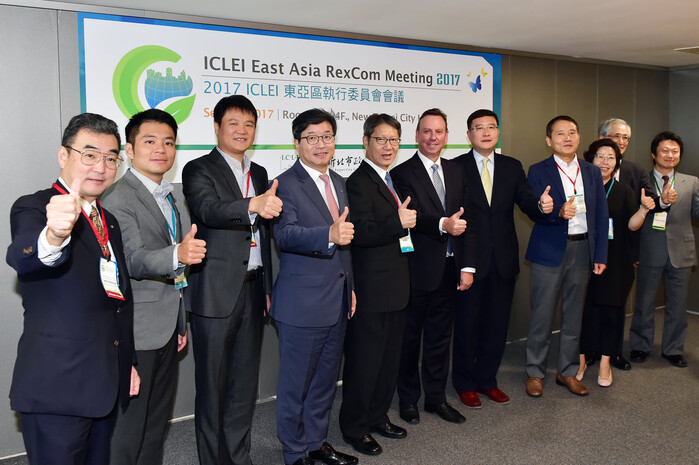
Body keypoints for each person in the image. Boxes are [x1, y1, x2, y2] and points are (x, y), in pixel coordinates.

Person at [6, 113, 138, 464]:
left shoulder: (107, 220)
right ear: (63, 155)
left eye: (111, 158)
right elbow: (23, 255)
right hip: (57, 388)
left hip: (104, 381)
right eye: (89, 154)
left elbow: (117, 299)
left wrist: (127, 362)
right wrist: (53, 235)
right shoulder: (35, 206)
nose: (101, 167)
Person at [102, 109, 206, 465]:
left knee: (156, 423)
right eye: (150, 141)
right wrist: (178, 254)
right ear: (129, 150)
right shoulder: (118, 199)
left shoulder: (170, 195)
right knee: (129, 429)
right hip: (136, 330)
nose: (161, 149)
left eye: (169, 142)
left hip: (166, 325)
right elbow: (132, 259)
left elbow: (175, 268)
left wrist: (179, 321)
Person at [182, 95, 281, 465]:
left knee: (244, 386)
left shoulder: (260, 174)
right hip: (215, 292)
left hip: (253, 289)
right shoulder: (198, 169)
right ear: (217, 127)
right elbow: (208, 209)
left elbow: (265, 237)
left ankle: (239, 457)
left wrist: (268, 287)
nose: (242, 131)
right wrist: (252, 204)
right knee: (213, 387)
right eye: (233, 123)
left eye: (249, 124)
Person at [271, 108, 358, 465]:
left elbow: (346, 240)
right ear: (297, 143)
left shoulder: (339, 181)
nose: (320, 144)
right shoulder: (284, 184)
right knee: (296, 386)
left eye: (327, 136)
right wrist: (328, 235)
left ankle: (316, 443)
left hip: (337, 299)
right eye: (311, 138)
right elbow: (285, 235)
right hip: (301, 305)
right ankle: (294, 453)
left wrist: (350, 286)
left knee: (324, 381)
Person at [451, 109, 553, 409]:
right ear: (468, 134)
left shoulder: (511, 166)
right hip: (469, 261)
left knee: (496, 326)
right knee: (467, 326)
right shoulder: (455, 167)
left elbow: (526, 201)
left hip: (503, 260)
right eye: (478, 127)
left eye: (491, 127)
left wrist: (541, 205)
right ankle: (464, 383)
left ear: (498, 132)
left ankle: (487, 380)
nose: (486, 132)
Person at [391, 108, 476, 425]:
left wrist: (468, 266)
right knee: (410, 340)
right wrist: (443, 224)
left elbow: (468, 220)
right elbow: (415, 217)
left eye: (438, 132)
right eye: (426, 131)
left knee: (440, 340)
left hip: (451, 270)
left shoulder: (457, 171)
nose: (432, 137)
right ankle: (408, 400)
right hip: (417, 271)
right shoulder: (402, 173)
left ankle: (436, 398)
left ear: (446, 136)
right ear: (416, 136)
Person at [339, 114, 415, 456]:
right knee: (364, 364)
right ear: (366, 141)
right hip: (371, 290)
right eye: (381, 140)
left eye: (394, 140)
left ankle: (377, 416)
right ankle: (355, 428)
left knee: (387, 362)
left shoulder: (390, 179)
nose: (388, 147)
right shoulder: (358, 182)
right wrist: (397, 222)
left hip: (396, 287)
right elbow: (362, 233)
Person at [524, 115, 608, 398]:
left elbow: (601, 214)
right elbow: (534, 210)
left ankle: (567, 371)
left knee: (574, 315)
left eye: (572, 132)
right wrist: (556, 212)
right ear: (549, 140)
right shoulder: (538, 171)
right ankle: (535, 372)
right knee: (542, 315)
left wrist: (600, 253)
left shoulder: (592, 171)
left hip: (583, 249)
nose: (567, 138)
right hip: (549, 251)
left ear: (579, 137)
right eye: (560, 133)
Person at [576, 139, 655, 387]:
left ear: (617, 163)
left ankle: (605, 362)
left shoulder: (624, 191)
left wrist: (643, 210)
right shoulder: (580, 186)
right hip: (584, 255)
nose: (605, 162)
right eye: (600, 156)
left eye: (611, 157)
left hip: (616, 259)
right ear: (590, 159)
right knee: (584, 309)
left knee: (612, 310)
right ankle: (581, 358)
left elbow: (632, 225)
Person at [629, 131, 699, 368]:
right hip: (649, 250)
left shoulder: (691, 182)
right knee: (644, 302)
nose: (670, 155)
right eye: (665, 151)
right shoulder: (642, 180)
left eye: (675, 151)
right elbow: (632, 217)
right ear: (654, 154)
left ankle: (673, 349)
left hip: (681, 251)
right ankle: (640, 345)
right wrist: (634, 251)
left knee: (677, 305)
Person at [595, 117, 654, 371]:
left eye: (625, 137)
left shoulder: (636, 170)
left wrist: (660, 201)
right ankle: (592, 349)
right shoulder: (588, 170)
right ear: (602, 139)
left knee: (616, 303)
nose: (621, 141)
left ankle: (614, 352)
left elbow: (650, 202)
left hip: (622, 249)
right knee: (592, 302)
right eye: (615, 136)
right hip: (592, 248)